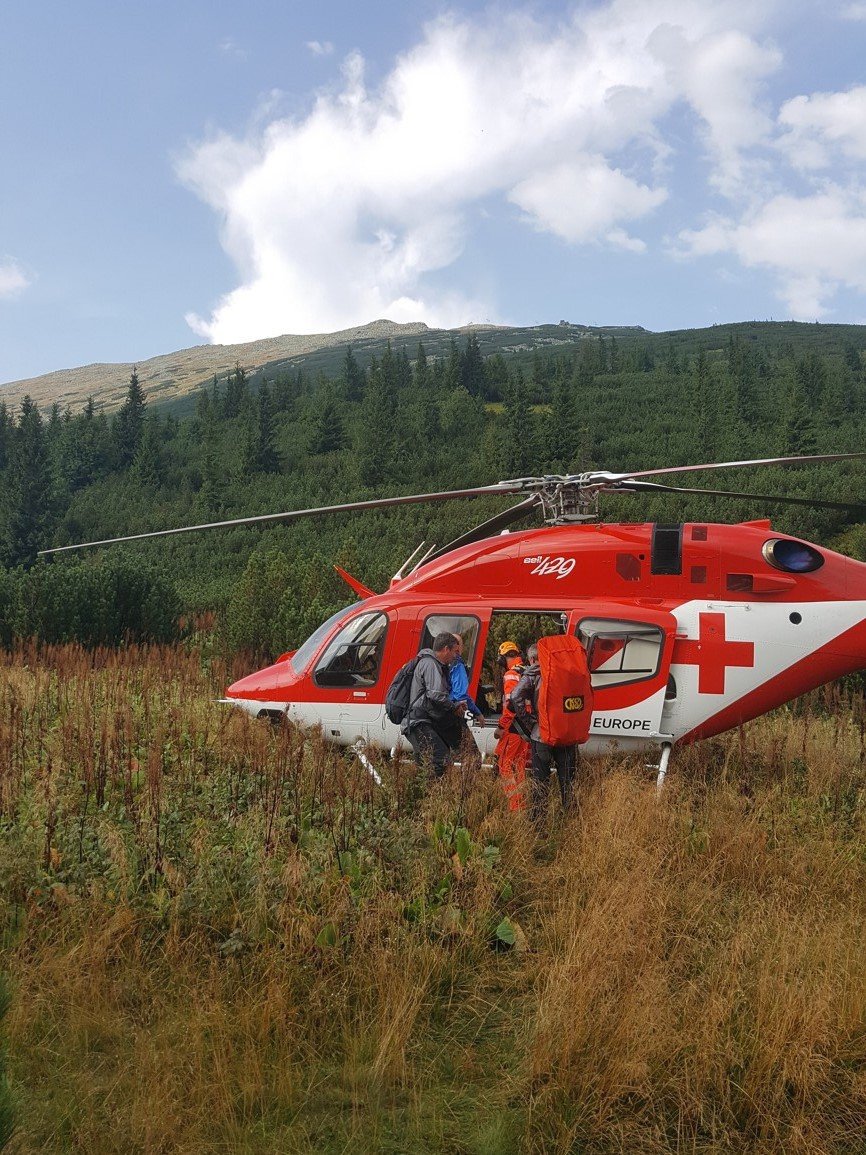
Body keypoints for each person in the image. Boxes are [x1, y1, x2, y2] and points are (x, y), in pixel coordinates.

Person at [509, 642, 578, 821]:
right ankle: (571, 822)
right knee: (568, 781)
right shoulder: (566, 669)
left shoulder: (533, 672)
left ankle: (539, 825)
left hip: (542, 734)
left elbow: (516, 696)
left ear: (532, 659)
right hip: (566, 733)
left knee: (541, 781)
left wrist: (530, 723)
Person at [401, 632, 467, 777]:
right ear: (445, 649)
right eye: (455, 651)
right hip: (418, 722)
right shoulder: (431, 664)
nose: (456, 656)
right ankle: (433, 794)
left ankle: (422, 794)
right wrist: (453, 706)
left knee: (426, 761)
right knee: (440, 758)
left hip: (419, 722)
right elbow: (435, 694)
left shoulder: (431, 663)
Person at [493, 641, 530, 811]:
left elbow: (511, 705)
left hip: (513, 728)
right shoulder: (529, 671)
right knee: (519, 765)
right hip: (527, 728)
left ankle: (515, 806)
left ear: (504, 658)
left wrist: (501, 726)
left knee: (505, 765)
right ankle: (521, 803)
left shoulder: (511, 675)